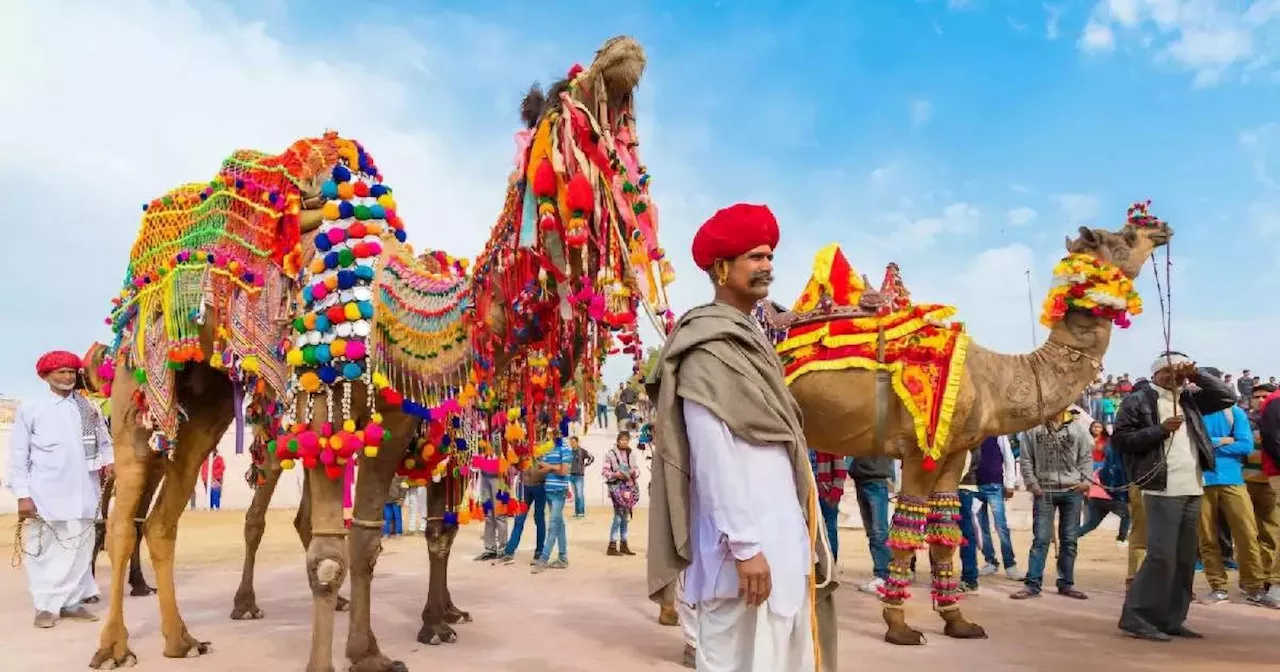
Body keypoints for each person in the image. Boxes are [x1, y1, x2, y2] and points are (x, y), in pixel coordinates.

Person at [646, 203, 835, 672]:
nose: (767, 266)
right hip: (741, 556)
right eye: (755, 257)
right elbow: (713, 457)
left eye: (770, 256)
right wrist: (747, 548)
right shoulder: (707, 345)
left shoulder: (754, 340)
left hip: (784, 544)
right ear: (721, 267)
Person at [1114, 352, 1236, 641]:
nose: (1175, 376)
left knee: (1183, 558)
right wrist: (1159, 430)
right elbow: (1121, 439)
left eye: (1179, 371)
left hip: (1193, 486)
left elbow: (1226, 397)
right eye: (1168, 371)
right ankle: (1137, 617)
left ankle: (1171, 618)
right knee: (1161, 557)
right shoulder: (1139, 400)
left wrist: (1196, 375)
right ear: (1155, 374)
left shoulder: (1189, 398)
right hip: (1161, 488)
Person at [8, 351, 114, 628]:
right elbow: (19, 454)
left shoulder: (88, 408)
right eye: (61, 372)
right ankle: (46, 605)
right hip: (45, 494)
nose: (67, 377)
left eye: (71, 372)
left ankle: (72, 603)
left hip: (84, 491)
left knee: (81, 547)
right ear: (46, 376)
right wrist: (23, 495)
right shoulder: (32, 408)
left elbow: (105, 443)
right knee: (44, 550)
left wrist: (110, 462)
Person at [1198, 390, 1272, 606]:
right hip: (1202, 481)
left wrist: (1208, 443)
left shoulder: (1234, 413)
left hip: (1232, 480)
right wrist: (1223, 440)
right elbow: (1193, 444)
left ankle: (1254, 586)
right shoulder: (1194, 413)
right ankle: (1218, 586)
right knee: (1207, 537)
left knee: (1247, 534)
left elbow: (1245, 445)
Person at [1011, 408, 1092, 601]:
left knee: (1070, 540)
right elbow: (1026, 459)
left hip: (1073, 491)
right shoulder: (1033, 429)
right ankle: (1032, 584)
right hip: (1044, 490)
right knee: (1041, 539)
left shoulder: (1078, 429)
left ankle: (1066, 583)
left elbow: (1086, 458)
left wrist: (1086, 482)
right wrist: (1033, 485)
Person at [969, 436, 1021, 580]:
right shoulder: (971, 433)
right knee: (980, 527)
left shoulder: (998, 434)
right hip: (974, 486)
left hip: (994, 485)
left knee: (1001, 527)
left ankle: (1010, 566)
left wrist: (1010, 483)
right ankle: (991, 561)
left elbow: (1008, 456)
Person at [850, 456, 894, 594]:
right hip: (861, 480)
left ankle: (884, 576)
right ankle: (880, 575)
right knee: (872, 531)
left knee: (879, 531)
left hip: (877, 481)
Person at [1079, 431, 1131, 546]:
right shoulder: (1115, 465)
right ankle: (1121, 539)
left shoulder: (1097, 466)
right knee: (1127, 515)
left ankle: (1072, 536)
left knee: (1092, 523)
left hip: (1095, 497)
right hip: (1108, 496)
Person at [532, 435, 573, 573]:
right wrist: (553, 467)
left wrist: (549, 467)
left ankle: (543, 559)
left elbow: (564, 471)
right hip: (549, 490)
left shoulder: (565, 448)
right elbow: (540, 471)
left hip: (558, 491)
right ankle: (562, 558)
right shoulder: (547, 448)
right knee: (559, 525)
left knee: (553, 526)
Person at [500, 458, 548, 565]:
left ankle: (539, 551)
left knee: (539, 519)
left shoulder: (545, 448)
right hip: (524, 487)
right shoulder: (523, 446)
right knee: (519, 519)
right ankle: (509, 551)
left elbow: (549, 468)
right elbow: (515, 465)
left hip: (540, 486)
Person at [604, 430, 641, 556]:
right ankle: (612, 545)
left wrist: (633, 473)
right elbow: (605, 471)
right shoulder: (610, 454)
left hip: (629, 489)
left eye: (626, 440)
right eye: (622, 440)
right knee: (618, 517)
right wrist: (616, 474)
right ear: (618, 441)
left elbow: (636, 469)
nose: (624, 442)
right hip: (616, 488)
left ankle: (624, 544)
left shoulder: (632, 454)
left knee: (625, 517)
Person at [473, 446, 509, 561]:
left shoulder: (500, 431)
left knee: (499, 514)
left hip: (499, 477)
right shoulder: (482, 433)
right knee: (488, 514)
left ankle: (503, 548)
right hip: (484, 475)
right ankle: (490, 549)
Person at [568, 435, 594, 519]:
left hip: (579, 476)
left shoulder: (582, 451)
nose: (572, 444)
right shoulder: (569, 452)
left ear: (577, 442)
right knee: (576, 495)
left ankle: (581, 512)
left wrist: (585, 465)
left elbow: (591, 458)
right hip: (571, 475)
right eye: (571, 442)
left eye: (573, 442)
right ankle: (577, 512)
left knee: (579, 494)